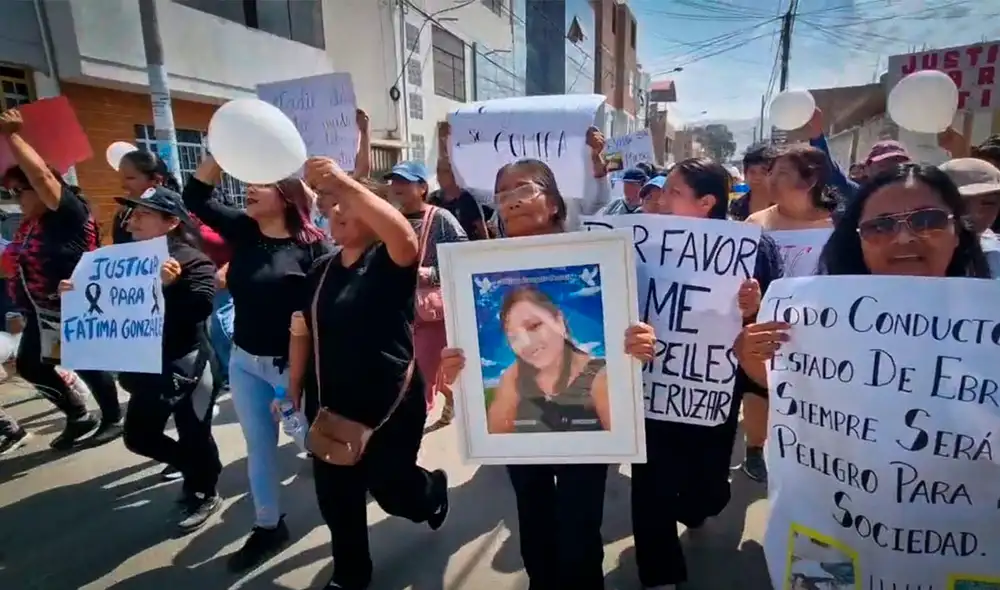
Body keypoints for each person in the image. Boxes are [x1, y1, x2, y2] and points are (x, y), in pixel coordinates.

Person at [439, 158, 656, 589]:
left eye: (524, 190)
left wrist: (641, 344)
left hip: (586, 441)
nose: (511, 201)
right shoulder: (478, 267)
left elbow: (635, 330)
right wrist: (458, 367)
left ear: (554, 202)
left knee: (579, 530)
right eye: (503, 195)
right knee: (534, 521)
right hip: (525, 443)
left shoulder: (601, 258)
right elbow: (487, 405)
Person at [286, 157, 448, 590]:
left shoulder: (390, 261)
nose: (335, 211)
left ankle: (431, 492)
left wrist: (341, 180)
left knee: (395, 493)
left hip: (389, 406)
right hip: (330, 405)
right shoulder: (321, 270)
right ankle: (351, 575)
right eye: (331, 204)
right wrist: (294, 383)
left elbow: (403, 236)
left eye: (347, 204)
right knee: (337, 500)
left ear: (374, 213)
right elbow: (302, 327)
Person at [735, 162, 991, 436]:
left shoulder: (989, 323)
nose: (904, 238)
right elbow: (799, 390)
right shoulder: (819, 317)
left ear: (957, 232)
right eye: (880, 226)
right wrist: (751, 356)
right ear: (858, 240)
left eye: (927, 221)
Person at [634, 157, 783, 590]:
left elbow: (773, 317)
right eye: (662, 191)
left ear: (706, 203)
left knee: (707, 489)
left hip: (715, 386)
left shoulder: (752, 247)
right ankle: (659, 573)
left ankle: (699, 505)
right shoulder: (640, 238)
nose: (661, 200)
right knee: (650, 481)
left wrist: (753, 307)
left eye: (674, 192)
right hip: (652, 378)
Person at [181, 155, 332, 572]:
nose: (248, 188)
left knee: (314, 444)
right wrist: (223, 152)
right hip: (245, 365)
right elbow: (195, 195)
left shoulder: (315, 247)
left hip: (293, 371)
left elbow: (329, 310)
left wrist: (300, 379)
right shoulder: (244, 231)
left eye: (260, 183)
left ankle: (363, 476)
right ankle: (268, 525)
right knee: (259, 448)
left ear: (285, 196)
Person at [60, 187, 222, 531]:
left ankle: (204, 490)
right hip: (145, 368)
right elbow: (105, 306)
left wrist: (167, 287)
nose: (131, 221)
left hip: (186, 366)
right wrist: (74, 293)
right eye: (132, 213)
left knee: (194, 432)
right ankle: (198, 469)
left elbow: (200, 308)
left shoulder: (192, 260)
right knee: (138, 436)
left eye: (143, 214)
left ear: (171, 222)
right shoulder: (117, 261)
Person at [0, 108, 122, 449]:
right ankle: (79, 415)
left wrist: (12, 135)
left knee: (86, 363)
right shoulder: (30, 224)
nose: (16, 199)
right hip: (42, 313)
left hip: (74, 305)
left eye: (19, 191)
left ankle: (113, 418)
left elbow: (41, 176)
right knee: (32, 366)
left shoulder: (68, 213)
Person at [384, 160, 467, 415]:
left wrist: (428, 274)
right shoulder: (389, 218)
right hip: (394, 311)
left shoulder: (441, 219)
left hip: (426, 315)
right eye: (394, 181)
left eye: (404, 181)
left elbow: (462, 260)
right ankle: (447, 398)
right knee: (406, 374)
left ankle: (415, 429)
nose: (397, 186)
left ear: (423, 188)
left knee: (420, 380)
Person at [488, 285, 609, 434]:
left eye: (534, 326)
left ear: (559, 321)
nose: (526, 342)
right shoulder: (513, 379)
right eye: (514, 336)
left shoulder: (600, 378)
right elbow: (495, 442)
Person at [938, 157, 1000, 276]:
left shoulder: (995, 252)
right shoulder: (915, 251)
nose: (975, 212)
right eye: (962, 202)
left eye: (989, 203)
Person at [431, 121, 493, 240]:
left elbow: (481, 229)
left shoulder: (467, 199)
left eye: (444, 172)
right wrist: (442, 139)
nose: (439, 176)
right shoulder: (434, 199)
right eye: (438, 171)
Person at [113, 151, 181, 244]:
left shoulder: (178, 215)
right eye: (121, 178)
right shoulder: (123, 214)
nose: (123, 185)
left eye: (130, 178)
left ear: (157, 180)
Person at [729, 143, 775, 220]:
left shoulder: (784, 207)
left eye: (763, 172)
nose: (757, 177)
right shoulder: (736, 207)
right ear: (745, 175)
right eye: (752, 172)